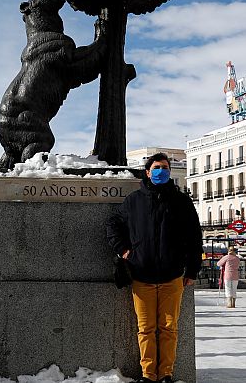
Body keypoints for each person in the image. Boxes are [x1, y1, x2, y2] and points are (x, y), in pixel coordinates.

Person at [106, 152, 203, 383]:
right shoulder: (134, 201)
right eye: (157, 167)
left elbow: (194, 236)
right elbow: (113, 224)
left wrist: (192, 270)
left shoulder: (181, 201)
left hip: (172, 277)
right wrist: (125, 250)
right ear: (148, 172)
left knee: (169, 328)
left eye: (166, 168)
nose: (162, 171)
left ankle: (166, 373)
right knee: (146, 329)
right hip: (142, 276)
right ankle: (148, 374)